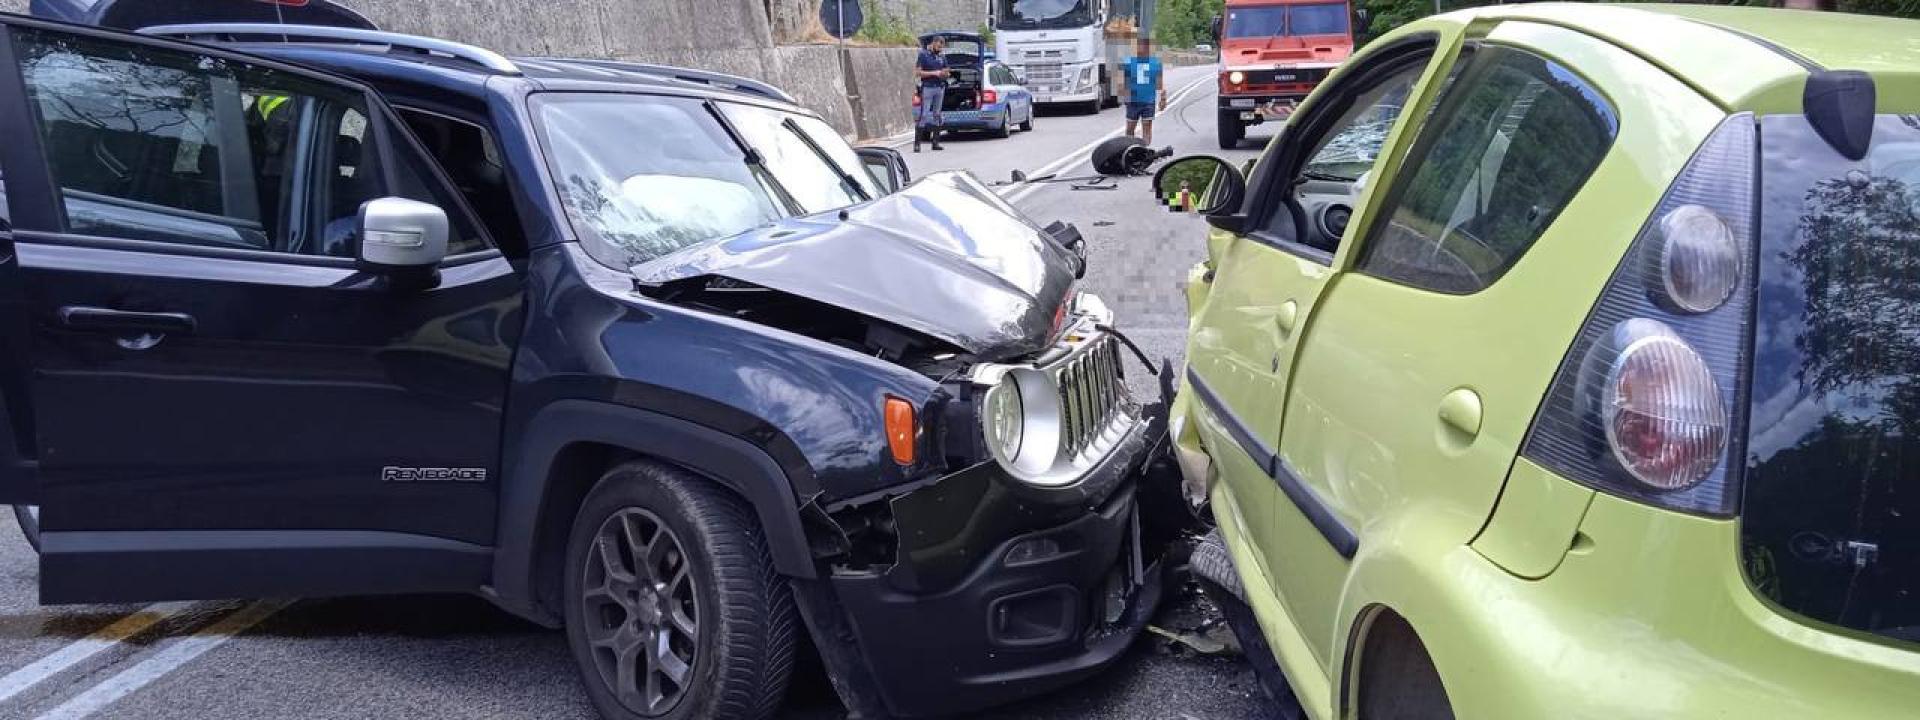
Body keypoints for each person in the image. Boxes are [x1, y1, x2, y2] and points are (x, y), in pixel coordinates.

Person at [1122, 37, 1165, 145]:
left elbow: (1159, 83)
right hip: (1133, 102)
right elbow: (1124, 81)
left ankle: (1144, 152)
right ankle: (1131, 149)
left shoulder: (1155, 63)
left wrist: (1163, 99)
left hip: (1148, 102)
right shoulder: (1129, 62)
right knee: (1130, 129)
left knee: (1146, 128)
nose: (1141, 48)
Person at [915, 35, 951, 152]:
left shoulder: (942, 57)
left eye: (942, 47)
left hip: (940, 88)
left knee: (937, 114)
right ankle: (917, 144)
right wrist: (934, 73)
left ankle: (935, 142)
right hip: (928, 87)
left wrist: (945, 73)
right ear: (933, 43)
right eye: (938, 45)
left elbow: (946, 70)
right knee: (924, 114)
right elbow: (918, 72)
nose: (940, 48)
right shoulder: (923, 55)